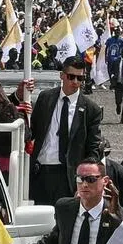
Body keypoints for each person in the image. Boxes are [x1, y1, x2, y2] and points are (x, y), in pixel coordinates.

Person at [27, 56, 104, 205]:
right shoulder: (45, 98)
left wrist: (84, 181)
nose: (75, 82)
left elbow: (92, 148)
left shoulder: (90, 109)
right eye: (71, 77)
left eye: (80, 78)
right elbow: (32, 131)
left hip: (68, 176)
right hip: (40, 171)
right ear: (62, 75)